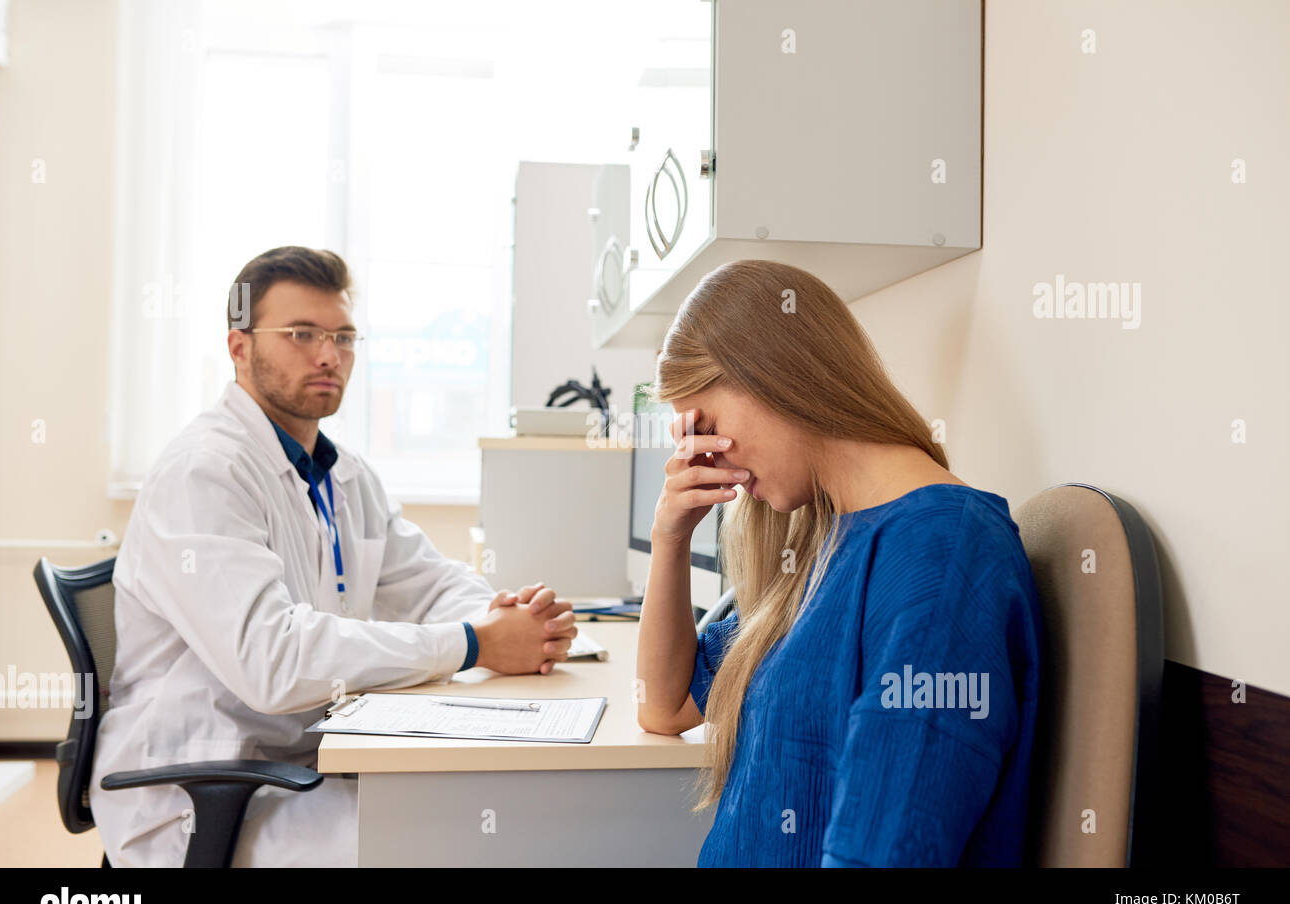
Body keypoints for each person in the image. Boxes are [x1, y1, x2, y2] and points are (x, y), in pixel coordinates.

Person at [91, 246, 576, 867]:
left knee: (484, 810)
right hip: (205, 796)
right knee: (460, 841)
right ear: (239, 347)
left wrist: (511, 617)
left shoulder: (341, 473)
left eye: (344, 336)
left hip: (300, 765)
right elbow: (274, 661)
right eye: (302, 334)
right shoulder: (204, 473)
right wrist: (475, 642)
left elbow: (425, 582)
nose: (329, 355)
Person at [636, 259, 1043, 866]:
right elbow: (663, 704)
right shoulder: (819, 549)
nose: (711, 461)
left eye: (709, 427)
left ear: (773, 376)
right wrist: (669, 538)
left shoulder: (941, 557)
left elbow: (886, 852)